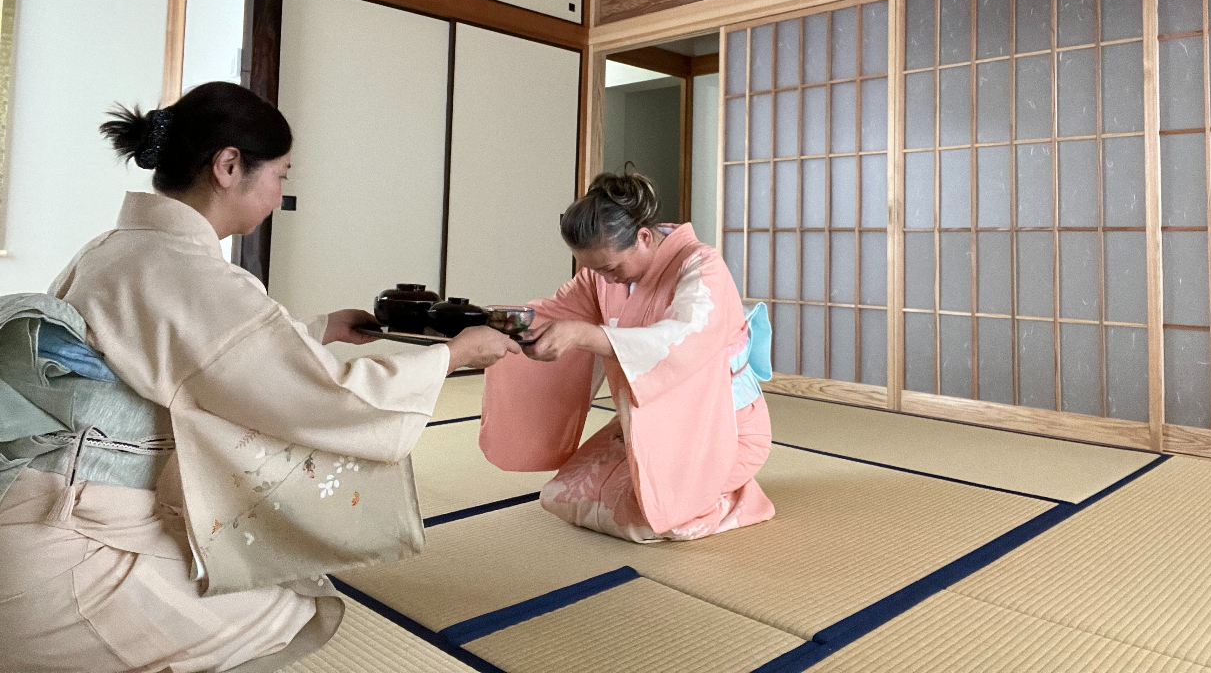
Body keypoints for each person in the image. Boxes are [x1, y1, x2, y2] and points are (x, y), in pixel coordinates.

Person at [0, 81, 519, 673]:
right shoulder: (188, 273)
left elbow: (204, 355)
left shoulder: (114, 248)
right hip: (74, 552)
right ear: (228, 166)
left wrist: (318, 327)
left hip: (30, 508)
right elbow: (322, 397)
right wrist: (452, 358)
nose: (278, 195)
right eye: (280, 176)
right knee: (290, 608)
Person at [479, 170, 775, 543]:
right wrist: (491, 323)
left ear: (644, 238)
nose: (603, 277)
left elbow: (683, 340)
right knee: (566, 498)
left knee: (653, 519)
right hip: (650, 422)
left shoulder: (701, 266)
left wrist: (589, 335)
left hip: (721, 425)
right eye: (591, 269)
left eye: (610, 267)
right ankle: (694, 488)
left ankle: (738, 498)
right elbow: (553, 315)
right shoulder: (599, 277)